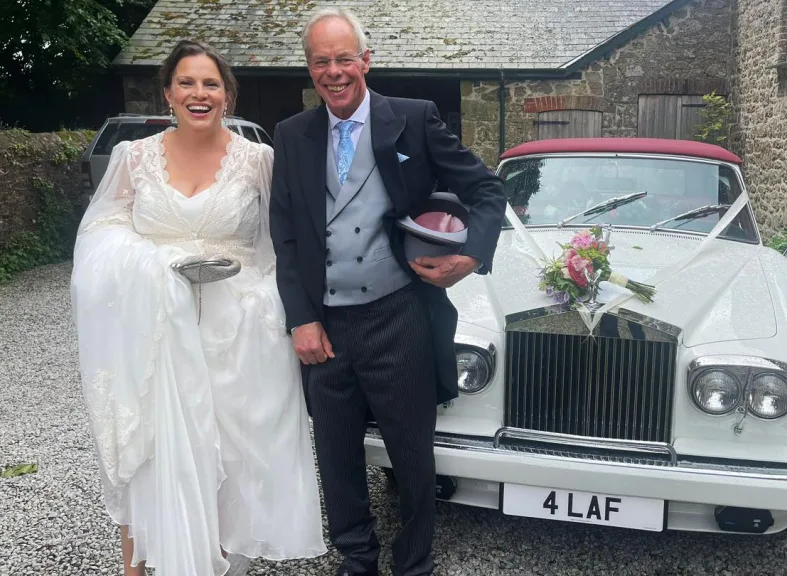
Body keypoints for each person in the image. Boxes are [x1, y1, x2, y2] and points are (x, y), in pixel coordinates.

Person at [70, 40, 327, 576]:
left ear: (227, 95)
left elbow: (286, 242)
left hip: (238, 335)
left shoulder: (259, 160)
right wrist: (153, 268)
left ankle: (216, 564)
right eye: (186, 82)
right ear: (168, 93)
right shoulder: (132, 157)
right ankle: (137, 568)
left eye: (211, 83)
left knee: (231, 460)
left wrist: (264, 302)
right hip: (156, 331)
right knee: (152, 447)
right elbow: (100, 231)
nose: (199, 93)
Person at [268, 7, 507, 576]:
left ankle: (415, 562)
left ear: (365, 61)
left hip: (398, 312)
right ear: (310, 68)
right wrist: (300, 319)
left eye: (343, 59)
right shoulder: (291, 135)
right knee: (336, 453)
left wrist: (471, 256)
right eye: (321, 62)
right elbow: (286, 234)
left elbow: (486, 189)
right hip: (325, 325)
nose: (334, 72)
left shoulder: (414, 118)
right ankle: (355, 557)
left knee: (412, 454)